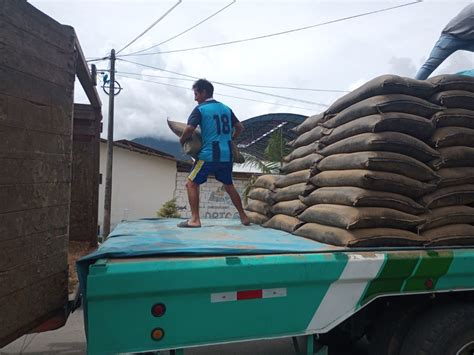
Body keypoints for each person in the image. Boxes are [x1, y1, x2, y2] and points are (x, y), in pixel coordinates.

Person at [178, 79, 250, 228]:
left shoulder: (200, 109)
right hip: (226, 155)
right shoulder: (226, 108)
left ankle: (195, 220)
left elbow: (189, 129)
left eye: (196, 94)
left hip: (209, 155)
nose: (195, 98)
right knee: (229, 185)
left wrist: (182, 140)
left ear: (204, 92)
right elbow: (240, 127)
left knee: (191, 183)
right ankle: (243, 216)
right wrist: (230, 139)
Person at [415, 4, 474, 80]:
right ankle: (412, 88)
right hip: (450, 37)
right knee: (430, 65)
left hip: (469, 39)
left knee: (429, 65)